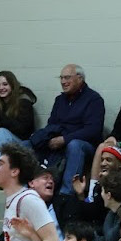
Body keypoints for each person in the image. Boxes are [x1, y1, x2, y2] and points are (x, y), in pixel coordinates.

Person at [30, 64, 105, 204]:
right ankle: (26, 188)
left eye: (67, 77)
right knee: (27, 144)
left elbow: (93, 130)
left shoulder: (94, 99)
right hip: (59, 140)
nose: (63, 81)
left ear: (80, 79)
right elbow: (51, 124)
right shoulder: (60, 100)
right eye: (61, 78)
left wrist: (65, 138)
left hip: (85, 145)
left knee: (74, 145)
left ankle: (66, 194)